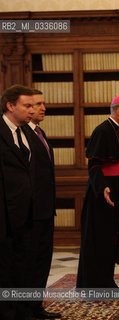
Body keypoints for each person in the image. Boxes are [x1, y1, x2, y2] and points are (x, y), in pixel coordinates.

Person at [76, 94, 119, 289]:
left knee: (109, 239)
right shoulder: (102, 130)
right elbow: (94, 165)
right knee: (99, 240)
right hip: (102, 195)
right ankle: (96, 284)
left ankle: (106, 281)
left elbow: (114, 162)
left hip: (113, 191)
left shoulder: (114, 130)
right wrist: (104, 188)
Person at [24, 89, 61, 319]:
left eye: (43, 103)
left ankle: (36, 306)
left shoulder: (40, 133)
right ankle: (27, 308)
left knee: (43, 260)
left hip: (46, 209)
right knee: (30, 261)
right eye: (37, 104)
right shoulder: (23, 135)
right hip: (31, 211)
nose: (42, 108)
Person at [0, 85, 36, 319]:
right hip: (4, 213)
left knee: (23, 263)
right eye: (27, 106)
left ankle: (22, 309)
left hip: (26, 211)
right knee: (5, 266)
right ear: (11, 106)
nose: (32, 111)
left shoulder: (27, 132)